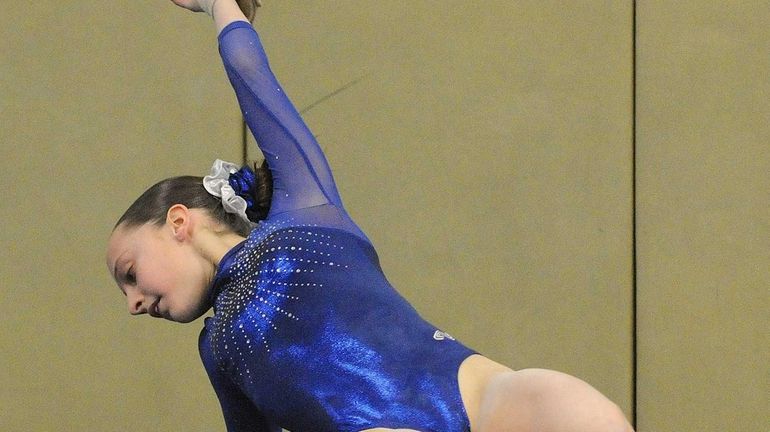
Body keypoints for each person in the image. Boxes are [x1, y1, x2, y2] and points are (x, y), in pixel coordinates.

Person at [106, 1, 636, 431]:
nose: (131, 302)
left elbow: (252, 74)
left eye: (129, 272)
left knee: (589, 416)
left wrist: (219, 4)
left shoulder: (306, 215)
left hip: (486, 404)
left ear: (178, 223)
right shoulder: (218, 350)